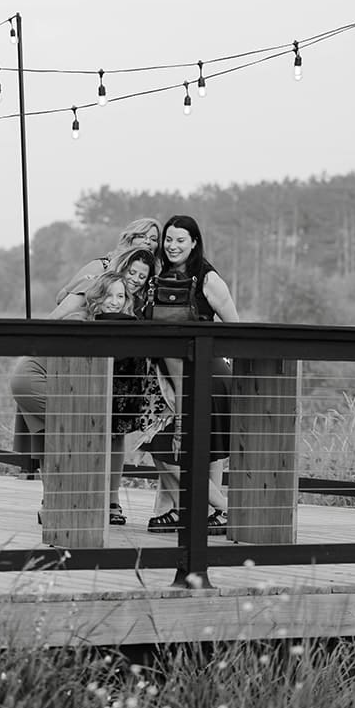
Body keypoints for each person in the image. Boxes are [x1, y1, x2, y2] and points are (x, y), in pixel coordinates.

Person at [12, 271, 148, 526]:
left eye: (121, 296)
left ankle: (55, 503)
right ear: (97, 296)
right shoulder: (81, 318)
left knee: (52, 433)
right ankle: (65, 502)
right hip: (34, 377)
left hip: (45, 378)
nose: (115, 301)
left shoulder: (117, 322)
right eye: (109, 295)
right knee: (76, 427)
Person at [143, 214, 237, 535]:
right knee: (182, 447)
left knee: (183, 447)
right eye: (168, 239)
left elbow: (235, 327)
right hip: (171, 379)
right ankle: (193, 512)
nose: (172, 246)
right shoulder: (157, 278)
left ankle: (223, 511)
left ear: (194, 243)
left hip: (208, 375)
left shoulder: (208, 279)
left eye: (180, 240)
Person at [50, 218, 161, 317]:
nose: (147, 242)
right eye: (142, 236)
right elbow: (61, 299)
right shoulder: (101, 267)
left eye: (153, 239)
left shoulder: (151, 279)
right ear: (129, 239)